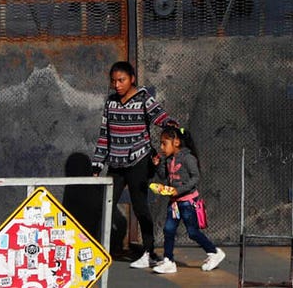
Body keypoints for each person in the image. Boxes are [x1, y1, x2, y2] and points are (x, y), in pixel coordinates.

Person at [91, 61, 173, 269]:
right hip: (116, 163)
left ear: (132, 79)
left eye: (122, 80)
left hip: (139, 159)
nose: (117, 85)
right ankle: (100, 249)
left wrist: (173, 128)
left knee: (140, 206)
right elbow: (105, 134)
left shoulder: (144, 98)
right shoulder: (110, 102)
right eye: (113, 81)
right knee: (106, 203)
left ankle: (149, 252)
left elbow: (161, 117)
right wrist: (97, 164)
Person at [150, 126, 226, 274]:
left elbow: (195, 178)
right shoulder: (168, 159)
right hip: (174, 203)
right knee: (168, 230)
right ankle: (169, 261)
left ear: (176, 142)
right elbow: (165, 177)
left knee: (192, 232)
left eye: (164, 143)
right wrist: (158, 165)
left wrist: (179, 190)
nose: (161, 147)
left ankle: (214, 252)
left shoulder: (188, 158)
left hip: (188, 202)